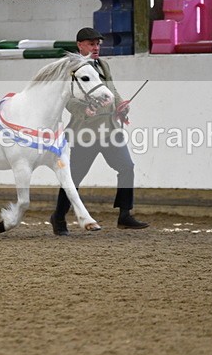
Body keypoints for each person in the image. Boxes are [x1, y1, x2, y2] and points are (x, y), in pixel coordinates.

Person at [49, 27, 149, 235]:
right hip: (85, 132)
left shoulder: (102, 65)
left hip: (111, 130)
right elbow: (67, 99)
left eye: (97, 44)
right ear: (80, 45)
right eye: (91, 44)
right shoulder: (71, 69)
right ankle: (58, 216)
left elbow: (112, 90)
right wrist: (83, 109)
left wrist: (122, 106)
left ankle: (124, 215)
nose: (96, 48)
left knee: (126, 167)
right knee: (75, 177)